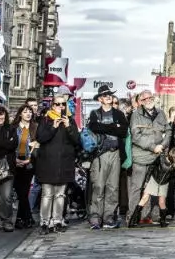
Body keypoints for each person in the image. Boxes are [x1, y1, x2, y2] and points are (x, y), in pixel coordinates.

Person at [84, 87, 127, 230]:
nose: (108, 96)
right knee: (99, 186)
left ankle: (109, 217)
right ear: (100, 99)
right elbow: (94, 127)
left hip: (116, 153)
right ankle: (96, 217)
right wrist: (113, 126)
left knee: (113, 187)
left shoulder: (119, 114)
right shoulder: (95, 113)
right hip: (100, 154)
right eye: (104, 95)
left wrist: (107, 127)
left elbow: (123, 131)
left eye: (109, 94)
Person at [34, 97, 76, 233]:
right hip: (48, 163)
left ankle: (57, 221)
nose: (60, 106)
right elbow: (40, 138)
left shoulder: (70, 120)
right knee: (47, 194)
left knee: (60, 195)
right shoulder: (46, 119)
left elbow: (77, 140)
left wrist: (69, 126)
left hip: (64, 163)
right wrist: (53, 127)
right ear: (52, 105)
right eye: (57, 104)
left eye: (63, 104)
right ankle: (44, 222)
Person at [126, 92, 166, 224]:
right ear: (141, 101)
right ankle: (132, 216)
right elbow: (136, 136)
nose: (148, 100)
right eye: (145, 99)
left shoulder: (160, 113)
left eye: (150, 98)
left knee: (155, 187)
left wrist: (163, 145)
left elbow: (168, 130)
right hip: (141, 157)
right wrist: (152, 146)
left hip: (157, 156)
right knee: (137, 187)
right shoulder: (136, 115)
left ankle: (150, 215)